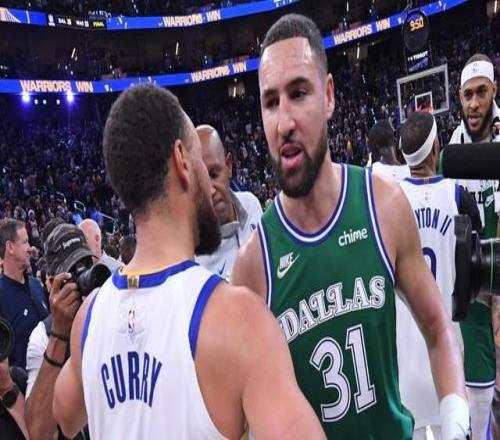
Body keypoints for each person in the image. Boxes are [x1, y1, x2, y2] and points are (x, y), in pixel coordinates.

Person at [232, 13, 469, 439]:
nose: (283, 122)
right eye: (270, 102)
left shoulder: (383, 204)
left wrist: (456, 422)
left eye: (298, 93)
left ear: (328, 96)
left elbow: (439, 329)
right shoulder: (253, 264)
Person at [52, 84, 325, 439]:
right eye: (199, 160)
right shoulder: (237, 319)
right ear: (182, 160)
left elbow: (63, 414)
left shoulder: (88, 319)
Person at [398, 112, 482, 439]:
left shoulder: (390, 203)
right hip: (448, 358)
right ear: (436, 148)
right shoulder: (459, 197)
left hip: (405, 363)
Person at [447, 53, 500, 440]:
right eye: (468, 95)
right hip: (475, 289)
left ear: (494, 90)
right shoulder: (455, 147)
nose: (474, 104)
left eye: (482, 93)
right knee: (479, 400)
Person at [25, 222, 95, 440]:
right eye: (73, 272)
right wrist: (59, 334)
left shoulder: (111, 311)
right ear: (52, 283)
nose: (83, 278)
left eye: (87, 266)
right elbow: (39, 433)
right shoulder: (43, 336)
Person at [195, 124, 263, 281]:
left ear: (229, 166)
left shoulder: (251, 205)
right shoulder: (196, 262)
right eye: (200, 182)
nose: (211, 190)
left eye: (214, 174)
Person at [0, 219, 48, 369]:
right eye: (25, 242)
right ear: (10, 247)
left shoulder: (36, 285)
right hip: (23, 383)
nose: (30, 249)